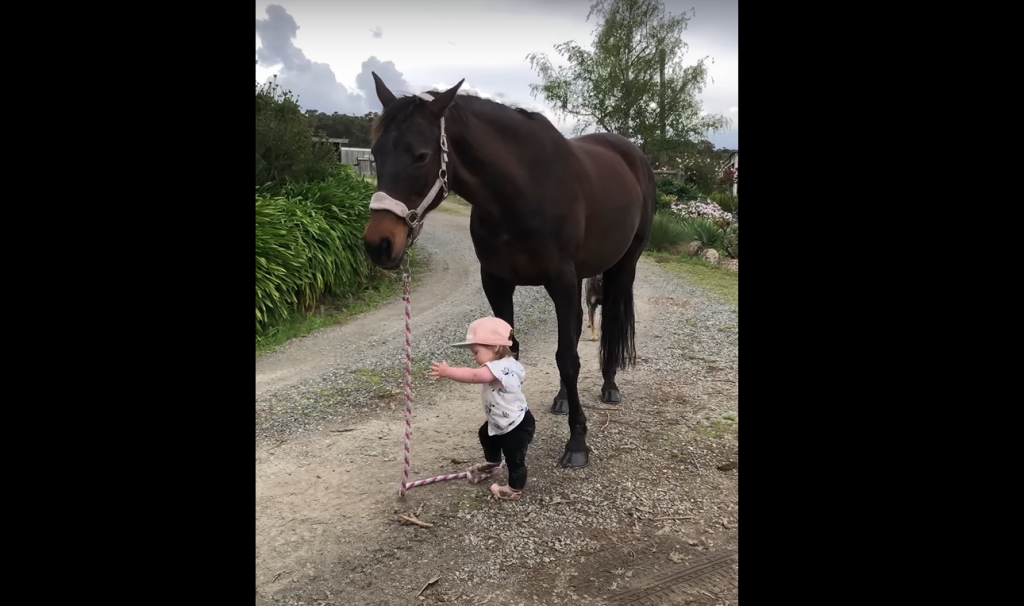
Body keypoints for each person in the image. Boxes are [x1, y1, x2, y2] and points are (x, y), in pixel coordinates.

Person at [428, 316, 535, 501]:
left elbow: (475, 375)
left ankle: (513, 489)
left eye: (476, 351)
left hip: (515, 425)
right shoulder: (509, 363)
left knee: (514, 458)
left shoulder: (498, 368)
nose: (474, 356)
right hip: (502, 420)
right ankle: (493, 463)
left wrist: (448, 371)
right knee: (485, 434)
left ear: (494, 347)